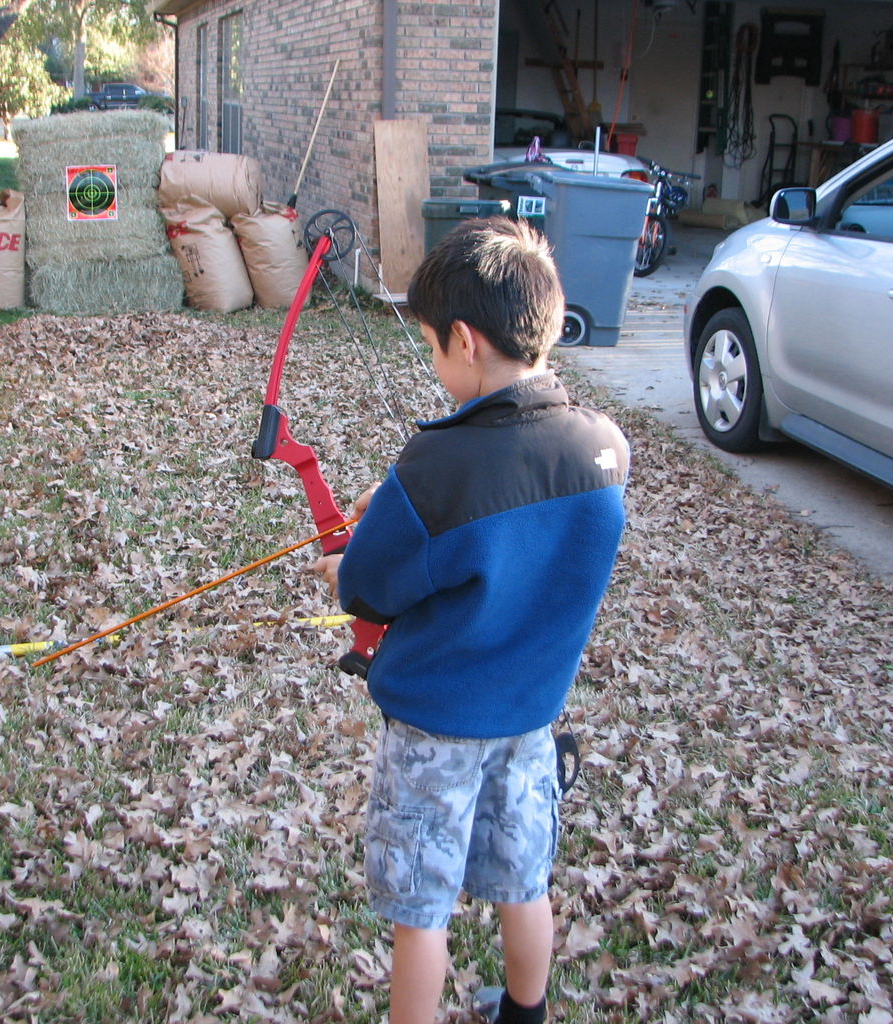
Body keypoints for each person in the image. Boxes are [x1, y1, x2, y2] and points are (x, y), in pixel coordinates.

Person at [312, 217, 629, 1024]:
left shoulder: (438, 465)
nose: (433, 362)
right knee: (523, 880)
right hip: (529, 717)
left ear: (464, 339)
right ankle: (524, 1013)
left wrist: (341, 569)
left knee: (421, 910)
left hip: (433, 727)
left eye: (429, 346)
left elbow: (370, 590)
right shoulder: (602, 449)